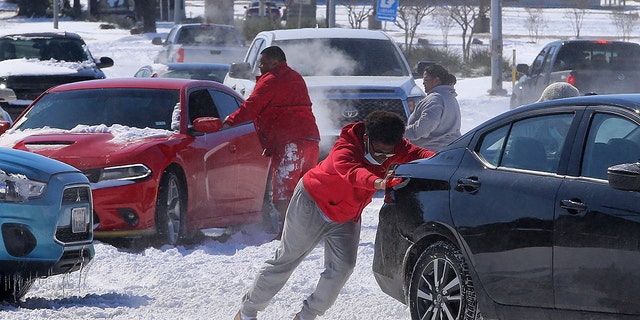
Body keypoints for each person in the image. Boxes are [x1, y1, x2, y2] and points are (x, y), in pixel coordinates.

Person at [234, 110, 434, 320]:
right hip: (312, 204)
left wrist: (450, 160)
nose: (383, 159)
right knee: (286, 260)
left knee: (343, 268)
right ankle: (247, 312)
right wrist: (379, 182)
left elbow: (422, 155)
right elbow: (352, 172)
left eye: (389, 155)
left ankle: (305, 316)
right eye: (379, 153)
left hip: (346, 215)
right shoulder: (345, 147)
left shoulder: (396, 148)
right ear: (367, 138)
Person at [223, 46, 320, 239]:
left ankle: (287, 233)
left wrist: (230, 121)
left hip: (290, 141)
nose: (259, 66)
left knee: (285, 189)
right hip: (310, 139)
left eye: (263, 62)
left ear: (276, 62)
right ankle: (309, 230)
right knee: (305, 188)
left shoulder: (271, 80)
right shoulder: (296, 77)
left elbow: (252, 106)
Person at [404, 64, 461, 152]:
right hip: (448, 151)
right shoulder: (449, 97)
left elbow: (423, 129)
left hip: (431, 155)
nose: (423, 83)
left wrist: (400, 132)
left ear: (437, 80)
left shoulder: (435, 99)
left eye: (426, 79)